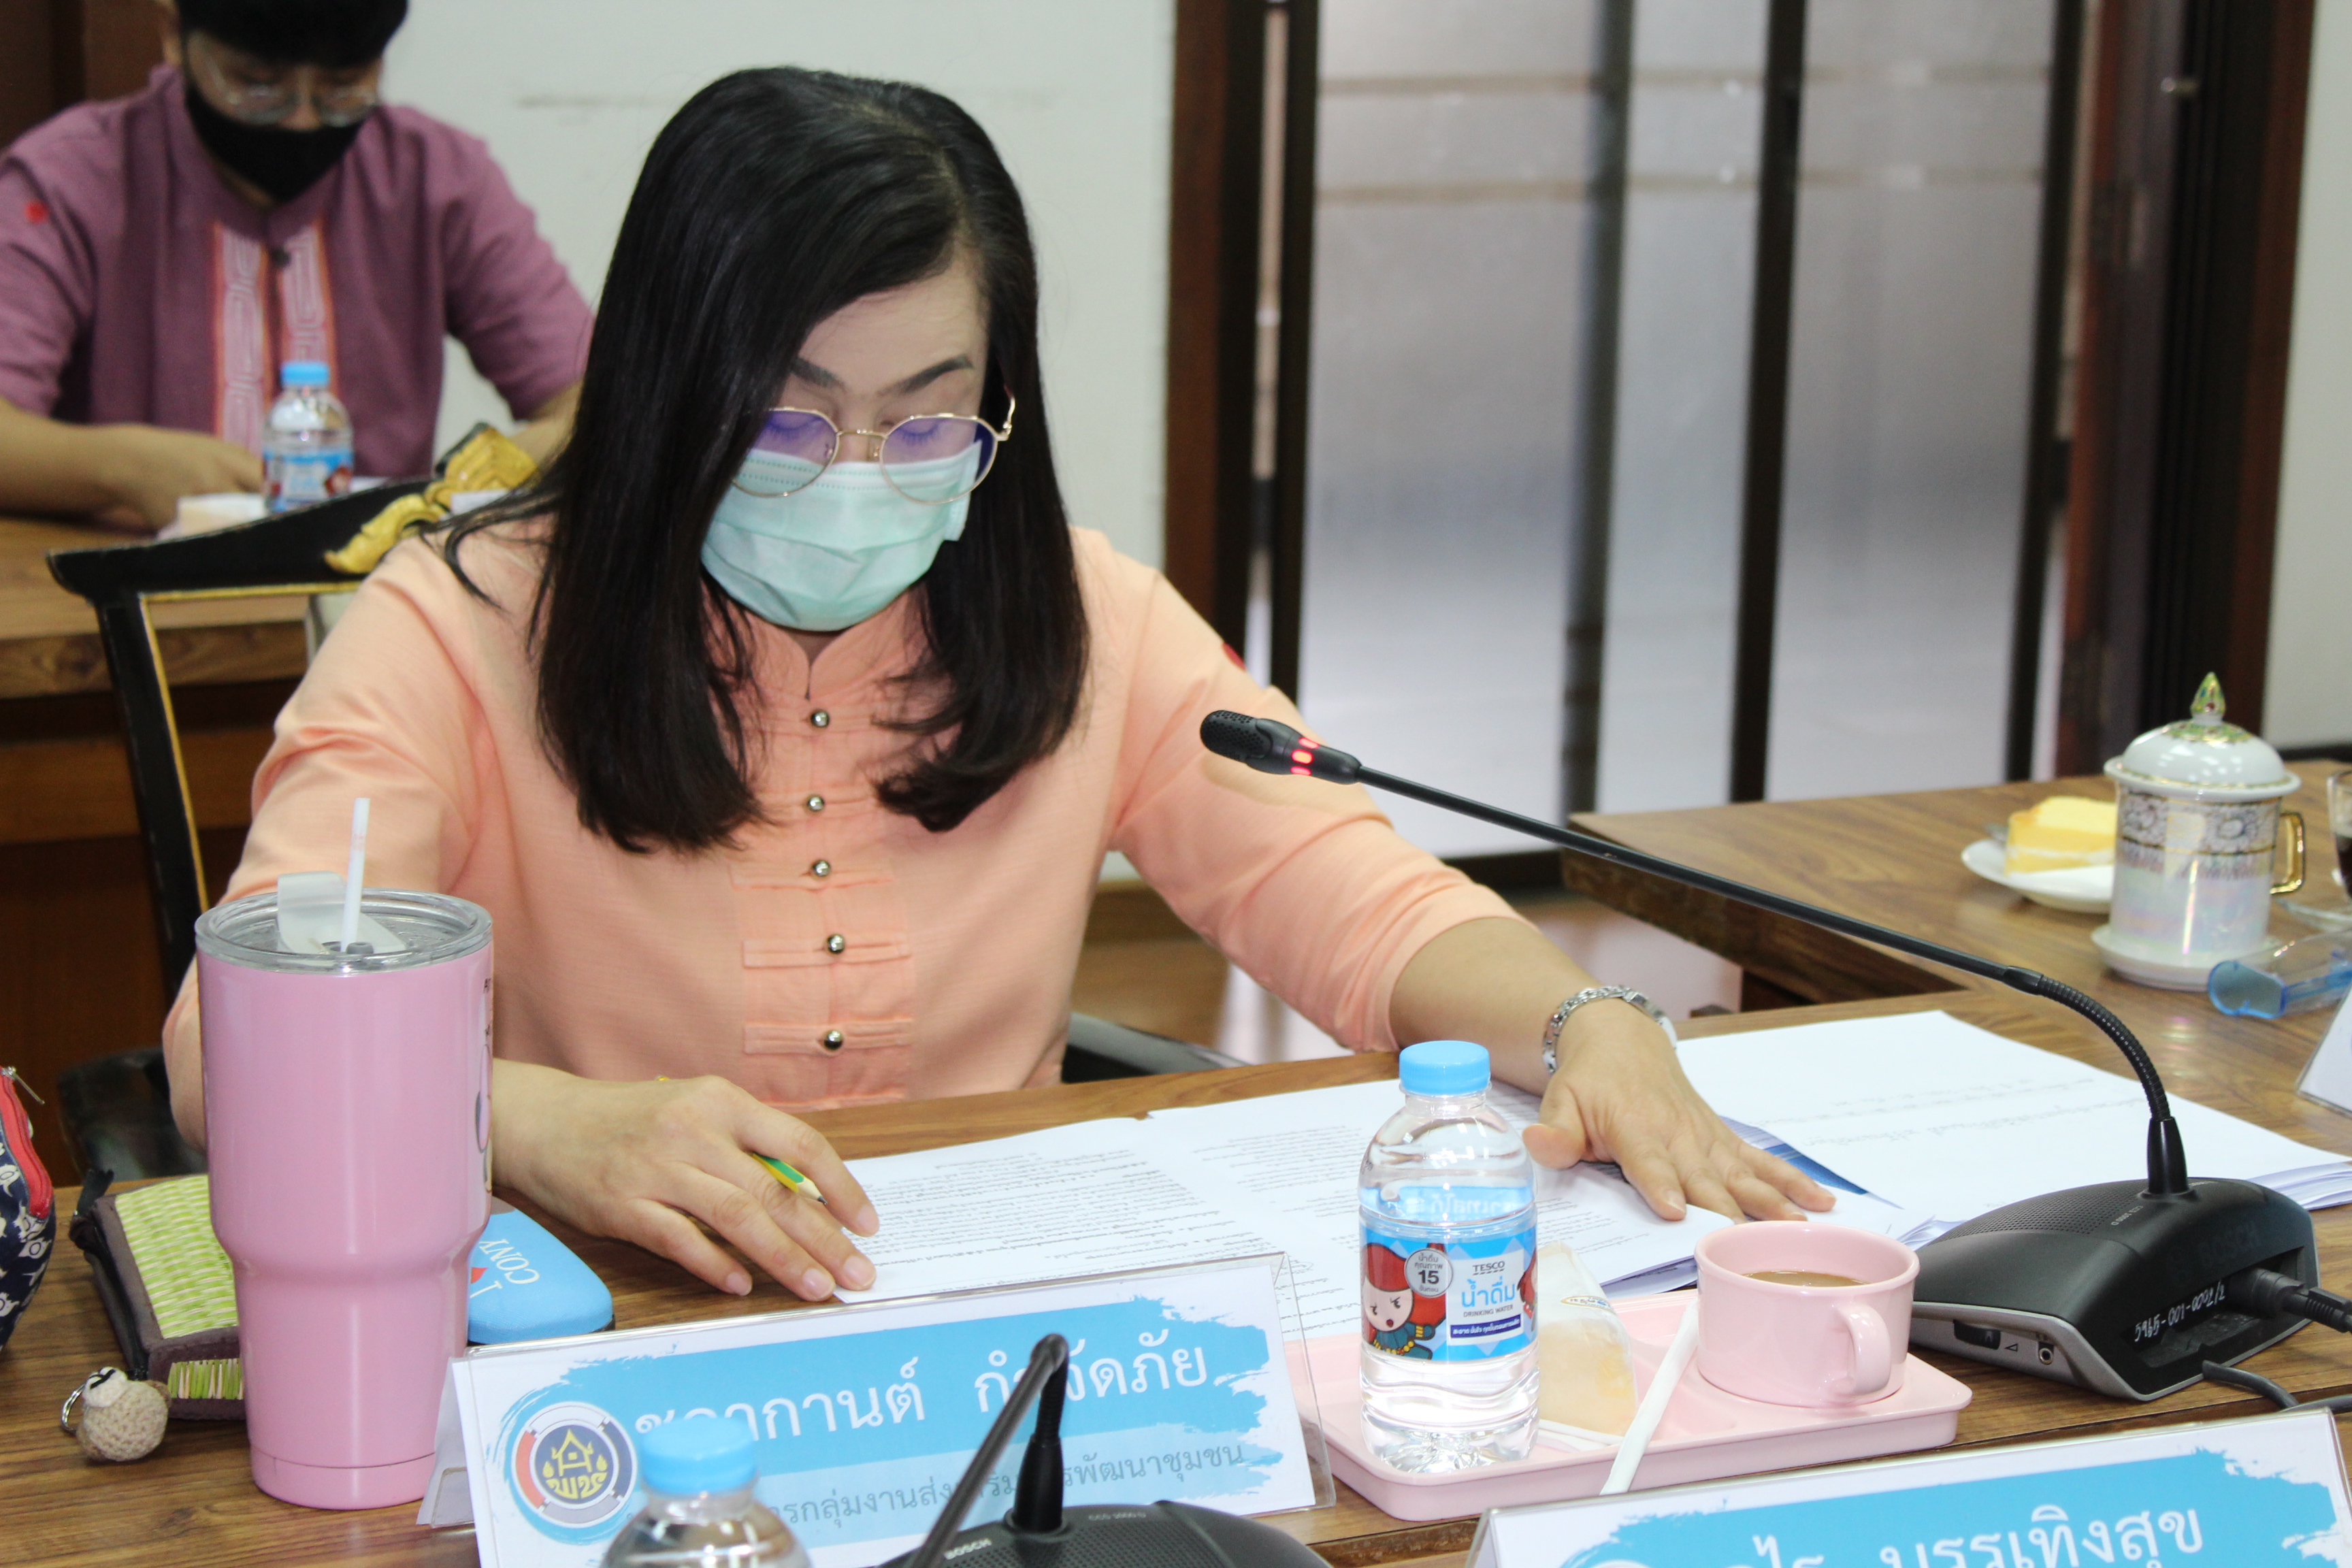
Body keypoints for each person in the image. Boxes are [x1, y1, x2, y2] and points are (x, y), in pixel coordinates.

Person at [163, 67, 1829, 1305]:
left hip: (994, 1330)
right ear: (671, 394)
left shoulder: (1076, 616)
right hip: (594, 1328)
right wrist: (546, 1129)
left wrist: (1585, 1021)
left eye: (929, 416)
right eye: (792, 416)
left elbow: (1355, 900)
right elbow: (220, 1052)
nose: (861, 472)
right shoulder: (456, 631)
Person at [0, 0, 589, 531]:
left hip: (373, 614)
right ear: (175, 31)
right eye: (258, 84)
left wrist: (513, 466)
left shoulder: (436, 178)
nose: (302, 120)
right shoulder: (68, 182)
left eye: (342, 85)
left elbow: (599, 398)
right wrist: (118, 466)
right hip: (130, 617)